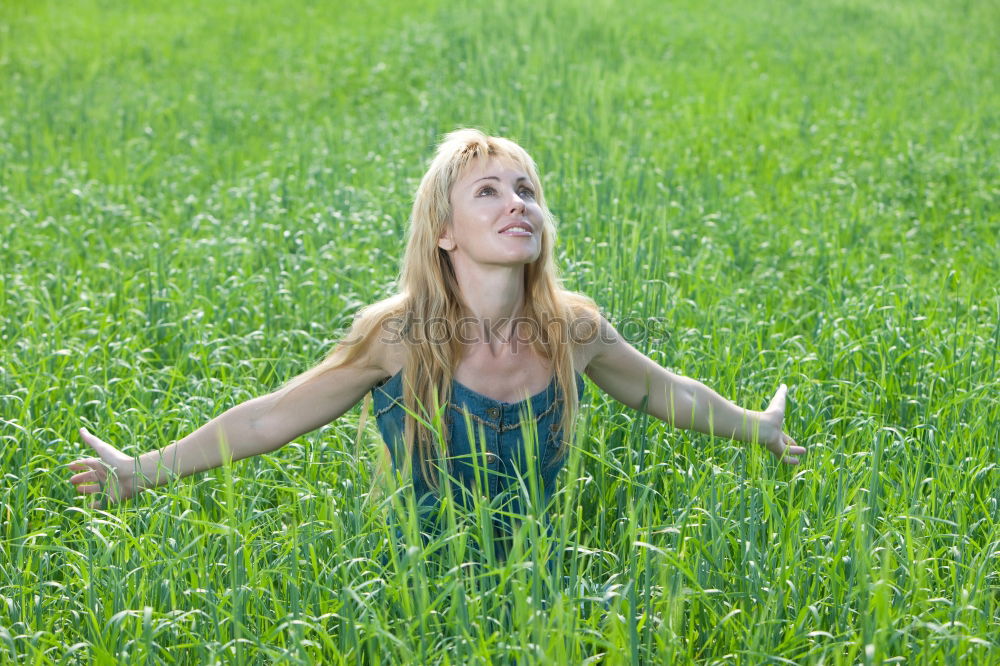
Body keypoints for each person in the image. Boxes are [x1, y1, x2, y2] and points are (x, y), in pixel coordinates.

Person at [68, 129, 805, 559]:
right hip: (416, 573)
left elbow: (663, 390)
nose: (517, 202)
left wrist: (758, 428)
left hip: (539, 572)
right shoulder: (398, 335)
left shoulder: (573, 327)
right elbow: (268, 417)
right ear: (445, 232)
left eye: (527, 190)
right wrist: (143, 471)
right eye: (487, 191)